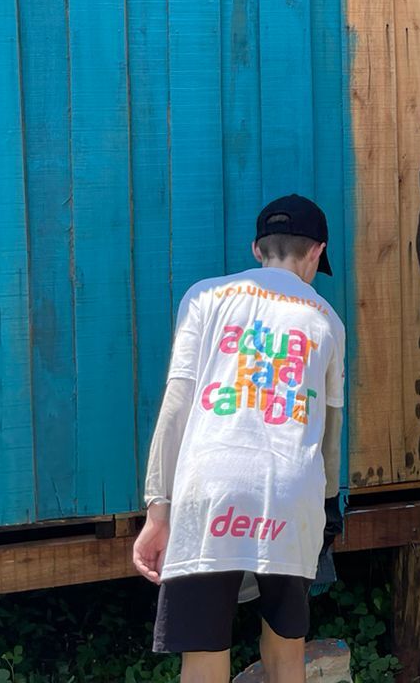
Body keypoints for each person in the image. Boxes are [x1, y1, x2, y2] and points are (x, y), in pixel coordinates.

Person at [132, 195, 347, 683]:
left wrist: (158, 509)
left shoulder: (204, 297)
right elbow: (329, 438)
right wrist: (327, 508)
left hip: (208, 490)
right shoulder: (327, 321)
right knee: (286, 647)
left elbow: (176, 408)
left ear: (257, 248)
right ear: (316, 252)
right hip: (290, 494)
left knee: (204, 652)